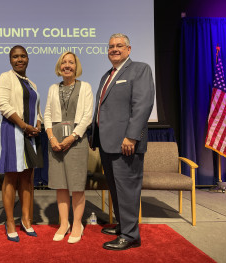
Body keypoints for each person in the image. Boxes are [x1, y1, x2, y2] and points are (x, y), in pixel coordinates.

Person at [90, 33, 154, 251]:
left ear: (129, 49)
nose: (114, 49)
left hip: (126, 143)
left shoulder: (140, 69)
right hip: (108, 144)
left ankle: (130, 235)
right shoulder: (107, 75)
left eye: (119, 46)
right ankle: (122, 226)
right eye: (110, 46)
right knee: (117, 189)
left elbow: (143, 105)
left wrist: (131, 136)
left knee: (127, 190)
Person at [0, 45, 43, 242]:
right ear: (10, 60)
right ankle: (10, 222)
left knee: (28, 178)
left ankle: (27, 220)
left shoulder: (32, 83)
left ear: (28, 59)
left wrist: (38, 123)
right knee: (11, 177)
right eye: (15, 57)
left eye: (23, 56)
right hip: (13, 131)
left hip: (30, 135)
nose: (19, 59)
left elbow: (36, 108)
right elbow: (3, 106)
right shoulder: (6, 77)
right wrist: (24, 125)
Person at [44, 51, 93, 244]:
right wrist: (51, 137)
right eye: (63, 62)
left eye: (71, 62)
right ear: (59, 66)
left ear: (76, 66)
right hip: (55, 140)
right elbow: (47, 113)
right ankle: (64, 224)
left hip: (77, 140)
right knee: (60, 185)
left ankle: (77, 224)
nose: (67, 65)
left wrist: (72, 137)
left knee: (77, 185)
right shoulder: (52, 88)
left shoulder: (86, 87)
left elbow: (87, 116)